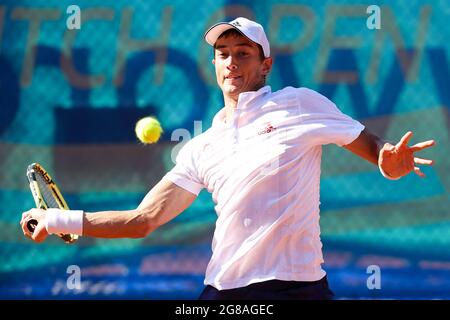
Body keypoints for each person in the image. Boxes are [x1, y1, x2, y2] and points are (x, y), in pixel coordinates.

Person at [20, 17, 435, 300]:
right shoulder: (203, 145)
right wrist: (58, 219)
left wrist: (387, 158)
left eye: (243, 52)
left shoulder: (300, 105)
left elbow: (370, 143)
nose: (232, 61)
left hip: (296, 286)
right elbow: (144, 219)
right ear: (215, 65)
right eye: (223, 53)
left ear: (265, 64)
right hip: (223, 291)